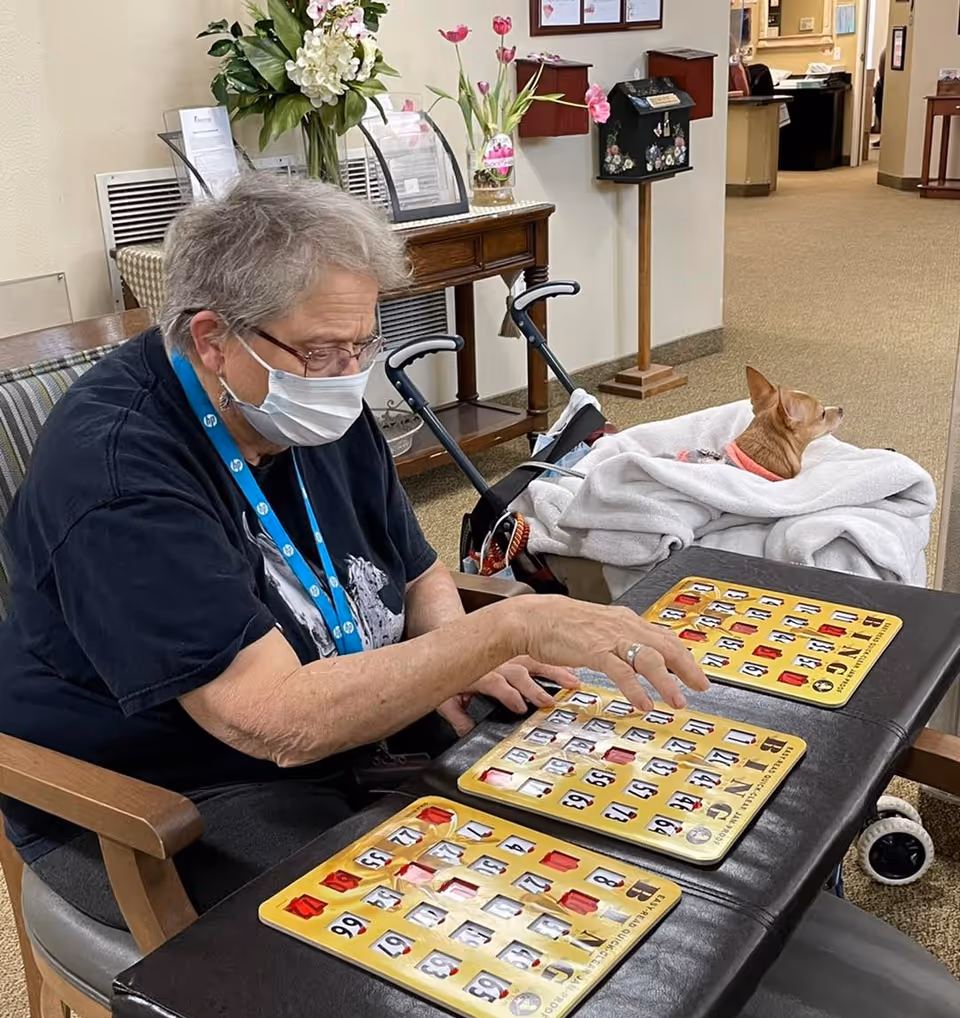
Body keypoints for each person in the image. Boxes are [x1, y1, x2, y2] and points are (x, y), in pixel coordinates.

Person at [0, 173, 706, 928]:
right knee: (450, 929)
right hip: (175, 788)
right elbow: (270, 721)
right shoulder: (118, 475)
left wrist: (451, 642)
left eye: (363, 344)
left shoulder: (300, 401)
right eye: (324, 350)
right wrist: (502, 630)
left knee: (603, 799)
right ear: (212, 340)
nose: (349, 375)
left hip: (342, 716)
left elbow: (418, 568)